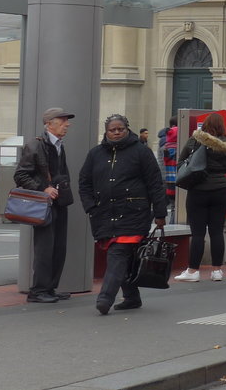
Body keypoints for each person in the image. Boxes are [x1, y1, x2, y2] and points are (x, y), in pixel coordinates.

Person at [79, 114, 166, 314]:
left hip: (133, 214)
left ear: (127, 129)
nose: (117, 132)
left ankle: (104, 299)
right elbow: (84, 183)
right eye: (113, 129)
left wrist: (160, 213)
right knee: (124, 256)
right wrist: (91, 206)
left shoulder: (141, 152)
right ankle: (132, 297)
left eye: (121, 129)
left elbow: (155, 183)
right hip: (104, 214)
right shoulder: (95, 154)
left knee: (118, 254)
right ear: (106, 132)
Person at [14, 107, 76, 304]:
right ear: (49, 124)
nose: (67, 124)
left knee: (59, 247)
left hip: (59, 202)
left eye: (67, 120)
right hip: (44, 204)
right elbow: (20, 175)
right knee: (44, 249)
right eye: (63, 120)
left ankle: (49, 288)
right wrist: (43, 188)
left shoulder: (59, 145)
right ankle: (38, 290)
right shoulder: (35, 145)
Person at [173, 112, 226, 283]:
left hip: (198, 190)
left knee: (198, 233)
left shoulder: (195, 140)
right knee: (217, 231)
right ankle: (217, 271)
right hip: (220, 191)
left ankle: (193, 271)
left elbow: (181, 162)